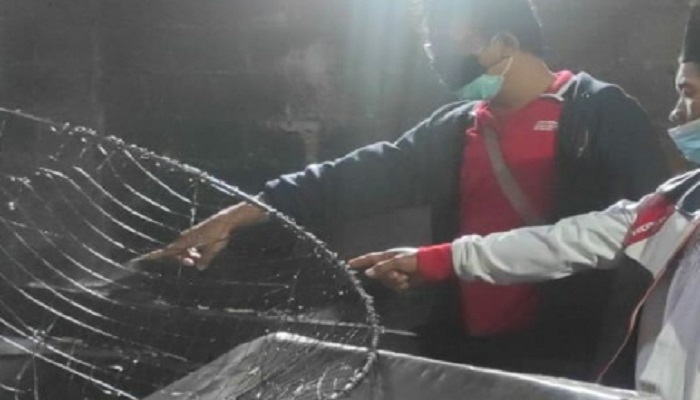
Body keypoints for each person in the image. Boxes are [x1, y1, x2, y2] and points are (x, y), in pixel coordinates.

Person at [146, 0, 670, 379]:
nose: (432, 55)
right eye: (426, 43)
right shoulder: (457, 127)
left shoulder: (598, 113)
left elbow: (647, 235)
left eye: (443, 41)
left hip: (570, 352)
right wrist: (235, 216)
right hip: (466, 350)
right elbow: (352, 177)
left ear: (505, 44)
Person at [349, 4, 700, 399]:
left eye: (687, 91)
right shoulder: (677, 204)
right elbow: (565, 241)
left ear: (505, 43)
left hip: (562, 351)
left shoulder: (598, 111)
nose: (676, 112)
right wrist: (433, 260)